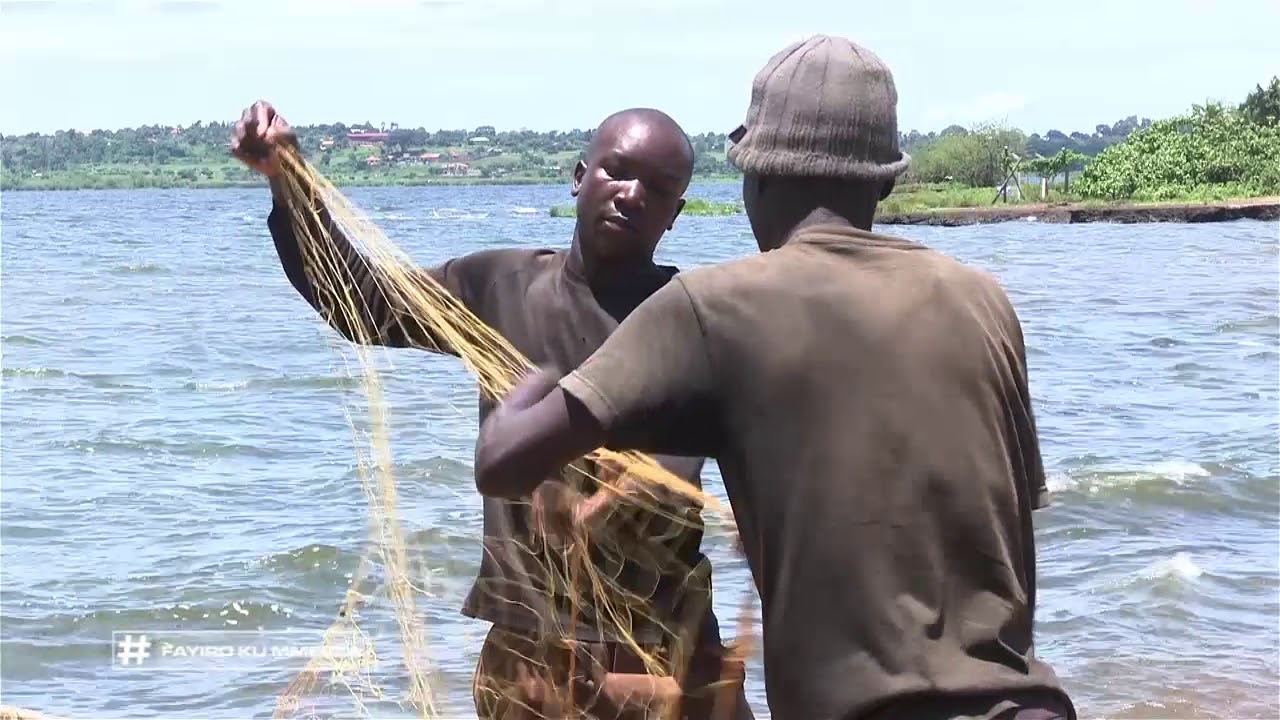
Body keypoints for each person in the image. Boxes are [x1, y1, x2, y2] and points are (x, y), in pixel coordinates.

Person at [470, 35, 1078, 720]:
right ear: (885, 182)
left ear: (754, 177)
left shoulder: (714, 306)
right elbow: (999, 522)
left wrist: (527, 375)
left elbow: (504, 463)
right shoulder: (982, 299)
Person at [231, 101, 753, 720]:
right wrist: (289, 183)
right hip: (531, 648)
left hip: (663, 646)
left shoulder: (692, 316)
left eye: (658, 188)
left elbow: (712, 467)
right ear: (579, 176)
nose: (632, 194)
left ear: (675, 216)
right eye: (617, 171)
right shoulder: (500, 287)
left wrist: (612, 498)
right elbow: (359, 303)